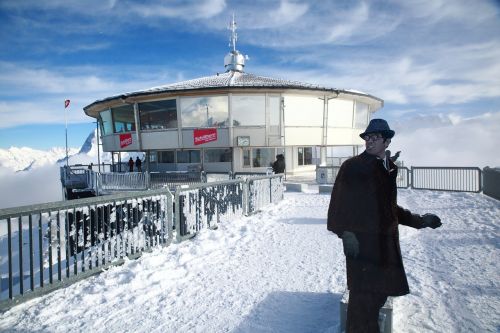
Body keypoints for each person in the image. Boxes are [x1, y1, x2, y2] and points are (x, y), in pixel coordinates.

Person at [327, 119, 442, 333]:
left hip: (384, 248)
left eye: (375, 137)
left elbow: (387, 207)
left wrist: (419, 221)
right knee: (361, 307)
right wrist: (345, 233)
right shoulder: (352, 167)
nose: (369, 141)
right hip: (362, 247)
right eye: (367, 137)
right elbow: (337, 205)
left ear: (387, 141)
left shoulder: (388, 168)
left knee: (376, 301)